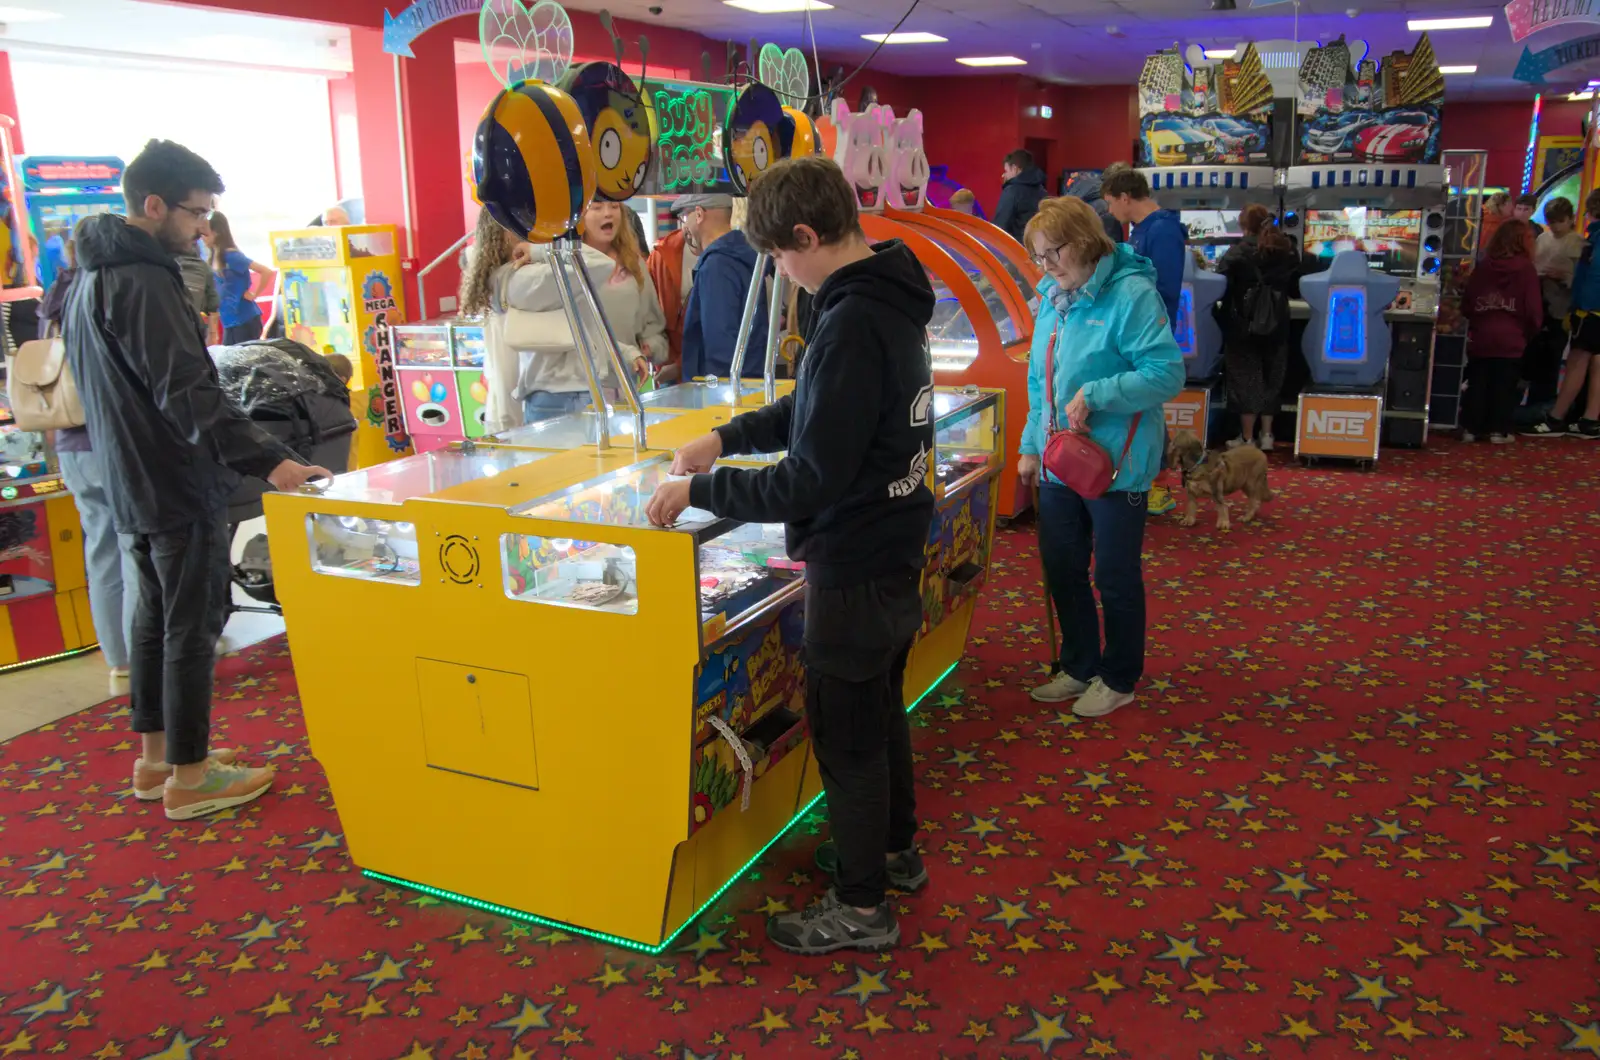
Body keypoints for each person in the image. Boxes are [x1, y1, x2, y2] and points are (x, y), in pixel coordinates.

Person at [643, 156, 936, 955]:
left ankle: (862, 907)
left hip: (855, 558)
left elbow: (808, 479)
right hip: (895, 544)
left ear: (807, 236)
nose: (778, 270)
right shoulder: (885, 294)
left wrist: (702, 492)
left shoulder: (848, 320)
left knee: (846, 738)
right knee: (879, 717)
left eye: (779, 255)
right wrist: (726, 438)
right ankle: (892, 853)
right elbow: (813, 408)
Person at [63, 139, 329, 821]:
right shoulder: (144, 279)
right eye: (194, 213)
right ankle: (191, 773)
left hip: (129, 475)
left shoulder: (90, 275)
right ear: (153, 205)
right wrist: (273, 461)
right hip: (175, 478)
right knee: (191, 624)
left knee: (153, 621)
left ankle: (155, 761)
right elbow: (187, 391)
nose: (202, 229)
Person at [1019, 196, 1184, 718]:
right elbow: (1037, 381)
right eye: (1039, 257)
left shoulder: (1131, 294)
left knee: (1113, 574)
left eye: (1053, 254)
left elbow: (1165, 374)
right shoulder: (1052, 295)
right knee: (1062, 567)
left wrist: (1096, 393)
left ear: (1085, 242)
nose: (1046, 268)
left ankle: (1118, 676)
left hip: (1117, 464)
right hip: (1057, 458)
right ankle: (1079, 664)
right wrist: (1029, 445)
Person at [1102, 166, 1186, 515]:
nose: (1109, 211)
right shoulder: (1145, 230)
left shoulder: (1163, 230)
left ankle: (1158, 483)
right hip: (1136, 325)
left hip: (1149, 329)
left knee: (1147, 401)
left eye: (1110, 202)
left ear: (1125, 197)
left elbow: (1161, 287)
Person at [1217, 203, 1300, 451]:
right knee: (1272, 379)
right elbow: (1296, 288)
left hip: (1243, 326)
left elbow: (1221, 287)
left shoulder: (1236, 253)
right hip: (1278, 324)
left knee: (1246, 381)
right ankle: (1267, 436)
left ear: (1244, 226)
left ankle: (1246, 438)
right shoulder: (1287, 250)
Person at [1526, 188, 1600, 439]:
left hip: (1580, 310)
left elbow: (1587, 279)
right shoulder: (1548, 240)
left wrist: (1577, 303)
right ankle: (1586, 419)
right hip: (1561, 307)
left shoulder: (1587, 242)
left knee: (1574, 362)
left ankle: (1555, 415)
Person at [1462, 218, 1541, 444]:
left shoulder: (1484, 266)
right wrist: (1531, 331)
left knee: (1477, 381)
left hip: (1482, 334)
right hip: (1512, 336)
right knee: (1504, 385)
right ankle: (1498, 429)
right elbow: (1533, 309)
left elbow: (1468, 302)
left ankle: (1470, 427)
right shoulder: (1526, 269)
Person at [679, 193, 767, 381]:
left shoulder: (717, 265)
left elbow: (720, 340)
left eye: (686, 217)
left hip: (724, 388)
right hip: (750, 378)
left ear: (699, 214)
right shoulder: (744, 255)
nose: (684, 226)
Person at [1527, 196, 1582, 410]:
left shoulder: (1577, 242)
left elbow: (1580, 279)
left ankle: (1543, 406)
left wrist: (1564, 276)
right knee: (1533, 357)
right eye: (1552, 222)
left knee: (1551, 359)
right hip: (1539, 301)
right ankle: (1530, 405)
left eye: (1560, 221)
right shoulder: (1543, 239)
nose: (1555, 227)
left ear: (1570, 219)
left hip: (1560, 307)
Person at [646, 206, 700, 385]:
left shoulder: (726, 257)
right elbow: (648, 315)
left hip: (709, 369)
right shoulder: (660, 254)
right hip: (667, 368)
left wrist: (681, 364)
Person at [206, 211, 272, 344]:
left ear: (216, 232)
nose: (202, 237)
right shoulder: (213, 258)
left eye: (206, 232)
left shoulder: (231, 256)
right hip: (229, 321)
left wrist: (254, 294)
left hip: (244, 318)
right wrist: (213, 331)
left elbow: (266, 271)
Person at [994, 149, 1047, 244]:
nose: (1004, 175)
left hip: (1016, 250)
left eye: (1006, 171)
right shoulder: (1042, 190)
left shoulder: (1012, 191)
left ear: (1015, 169)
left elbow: (1000, 226)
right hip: (1038, 249)